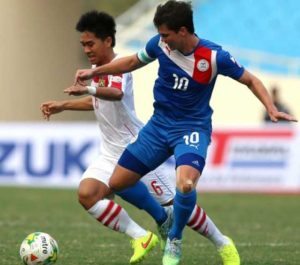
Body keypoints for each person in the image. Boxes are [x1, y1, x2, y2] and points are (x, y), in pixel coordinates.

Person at [74, 2, 298, 265]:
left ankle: (176, 239)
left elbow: (251, 79)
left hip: (191, 128)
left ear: (182, 31)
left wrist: (270, 108)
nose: (162, 40)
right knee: (118, 182)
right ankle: (165, 220)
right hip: (158, 126)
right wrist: (95, 71)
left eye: (166, 34)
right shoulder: (160, 44)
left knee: (185, 184)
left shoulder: (215, 57)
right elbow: (133, 61)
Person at [41, 10, 241, 265]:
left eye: (90, 43)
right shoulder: (95, 70)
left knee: (177, 202)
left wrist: (89, 86)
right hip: (109, 152)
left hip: (136, 145)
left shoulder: (120, 67)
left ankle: (221, 241)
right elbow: (98, 102)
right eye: (83, 44)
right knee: (88, 194)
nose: (87, 49)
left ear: (108, 41)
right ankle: (141, 236)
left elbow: (113, 93)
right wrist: (63, 105)